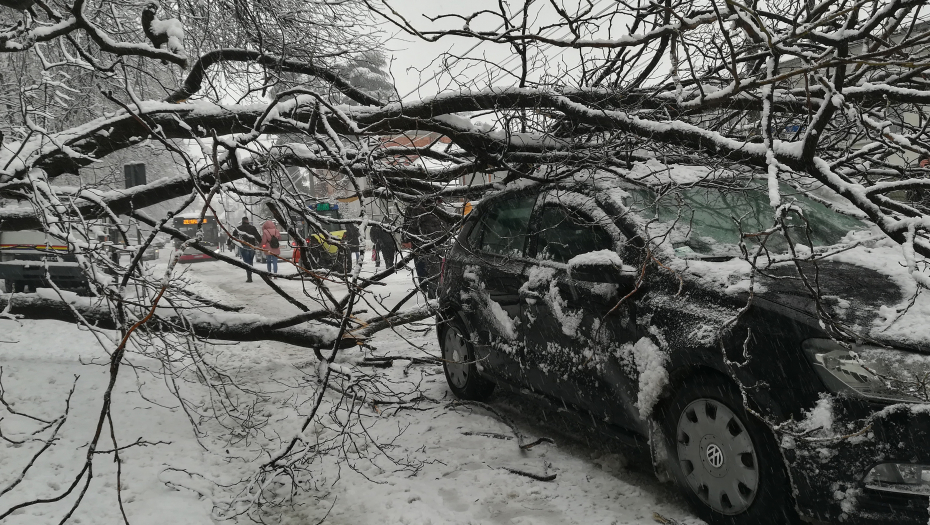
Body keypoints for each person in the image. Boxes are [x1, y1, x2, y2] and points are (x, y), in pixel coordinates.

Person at [402, 199, 445, 298]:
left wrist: (406, 239)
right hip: (438, 242)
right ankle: (433, 290)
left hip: (423, 243)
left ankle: (430, 290)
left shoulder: (415, 208)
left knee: (427, 266)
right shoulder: (440, 207)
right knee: (436, 268)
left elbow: (409, 226)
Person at [232, 216, 261, 282]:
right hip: (252, 246)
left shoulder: (239, 228)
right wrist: (259, 242)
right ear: (248, 221)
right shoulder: (252, 228)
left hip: (243, 246)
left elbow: (233, 235)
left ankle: (249, 276)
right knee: (250, 261)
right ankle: (250, 274)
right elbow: (258, 236)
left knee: (246, 261)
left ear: (242, 221)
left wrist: (234, 242)